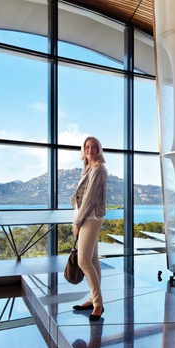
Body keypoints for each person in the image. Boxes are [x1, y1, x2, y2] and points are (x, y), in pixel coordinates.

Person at [70, 136, 108, 322]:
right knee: (93, 260)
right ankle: (93, 299)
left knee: (83, 261)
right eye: (87, 146)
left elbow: (90, 199)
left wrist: (77, 222)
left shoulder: (98, 169)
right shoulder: (89, 169)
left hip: (90, 218)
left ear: (99, 149)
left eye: (94, 147)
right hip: (87, 217)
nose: (90, 150)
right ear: (83, 149)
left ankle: (98, 304)